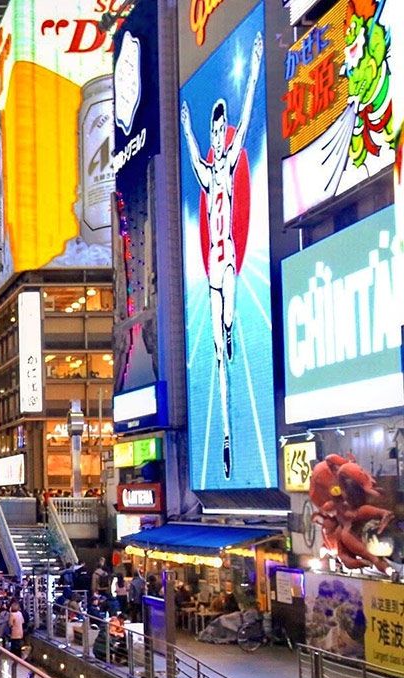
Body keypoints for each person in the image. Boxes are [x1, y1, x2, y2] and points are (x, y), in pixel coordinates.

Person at [180, 30, 264, 479]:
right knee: (215, 353)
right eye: (214, 130)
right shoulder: (206, 167)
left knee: (229, 318)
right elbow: (192, 150)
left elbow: (249, 115)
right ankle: (228, 438)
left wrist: (252, 69)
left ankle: (231, 328)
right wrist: (186, 126)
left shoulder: (228, 163)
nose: (218, 135)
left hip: (227, 255)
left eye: (219, 128)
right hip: (212, 265)